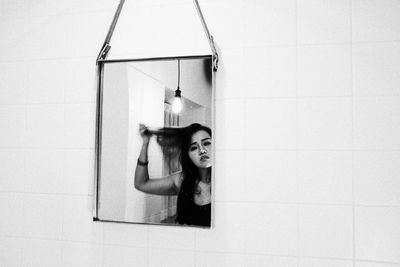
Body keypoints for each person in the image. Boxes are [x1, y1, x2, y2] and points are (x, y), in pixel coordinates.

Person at [134, 123, 212, 227]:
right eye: (193, 148)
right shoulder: (181, 180)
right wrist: (145, 143)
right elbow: (141, 184)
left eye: (206, 143)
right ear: (188, 156)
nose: (202, 151)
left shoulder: (229, 182)